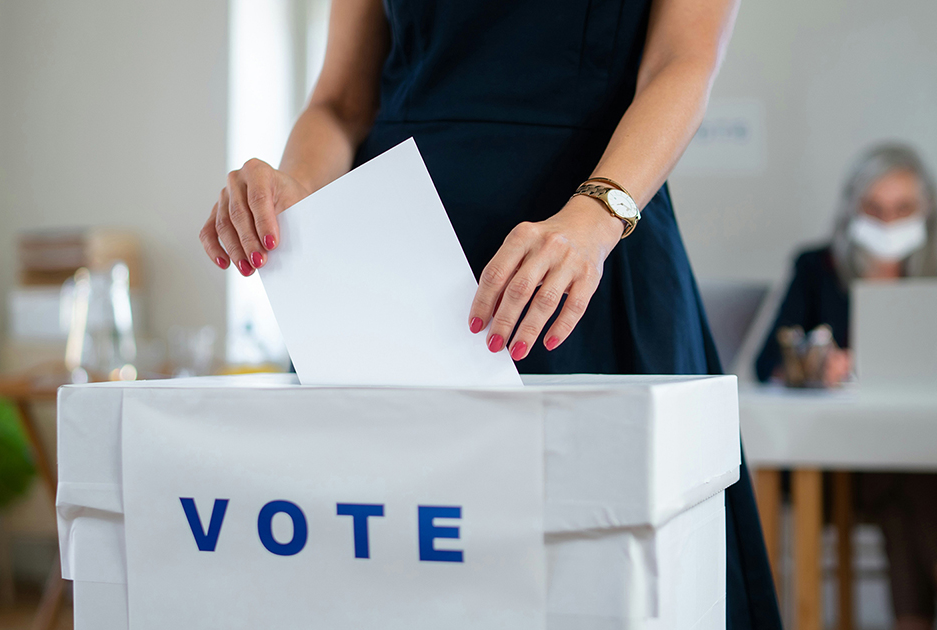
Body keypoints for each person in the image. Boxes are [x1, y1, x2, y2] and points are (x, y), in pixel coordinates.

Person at [199, 1, 781, 626]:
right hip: (393, 261)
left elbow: (682, 61)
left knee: (605, 568)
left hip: (590, 251)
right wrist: (297, 189)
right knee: (382, 565)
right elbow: (340, 101)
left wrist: (596, 216)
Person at [756, 143, 937, 629]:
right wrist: (816, 366)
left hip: (910, 459)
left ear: (926, 212)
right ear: (852, 209)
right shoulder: (817, 268)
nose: (887, 222)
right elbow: (767, 361)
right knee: (914, 478)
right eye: (874, 209)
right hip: (845, 457)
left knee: (910, 482)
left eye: (903, 210)